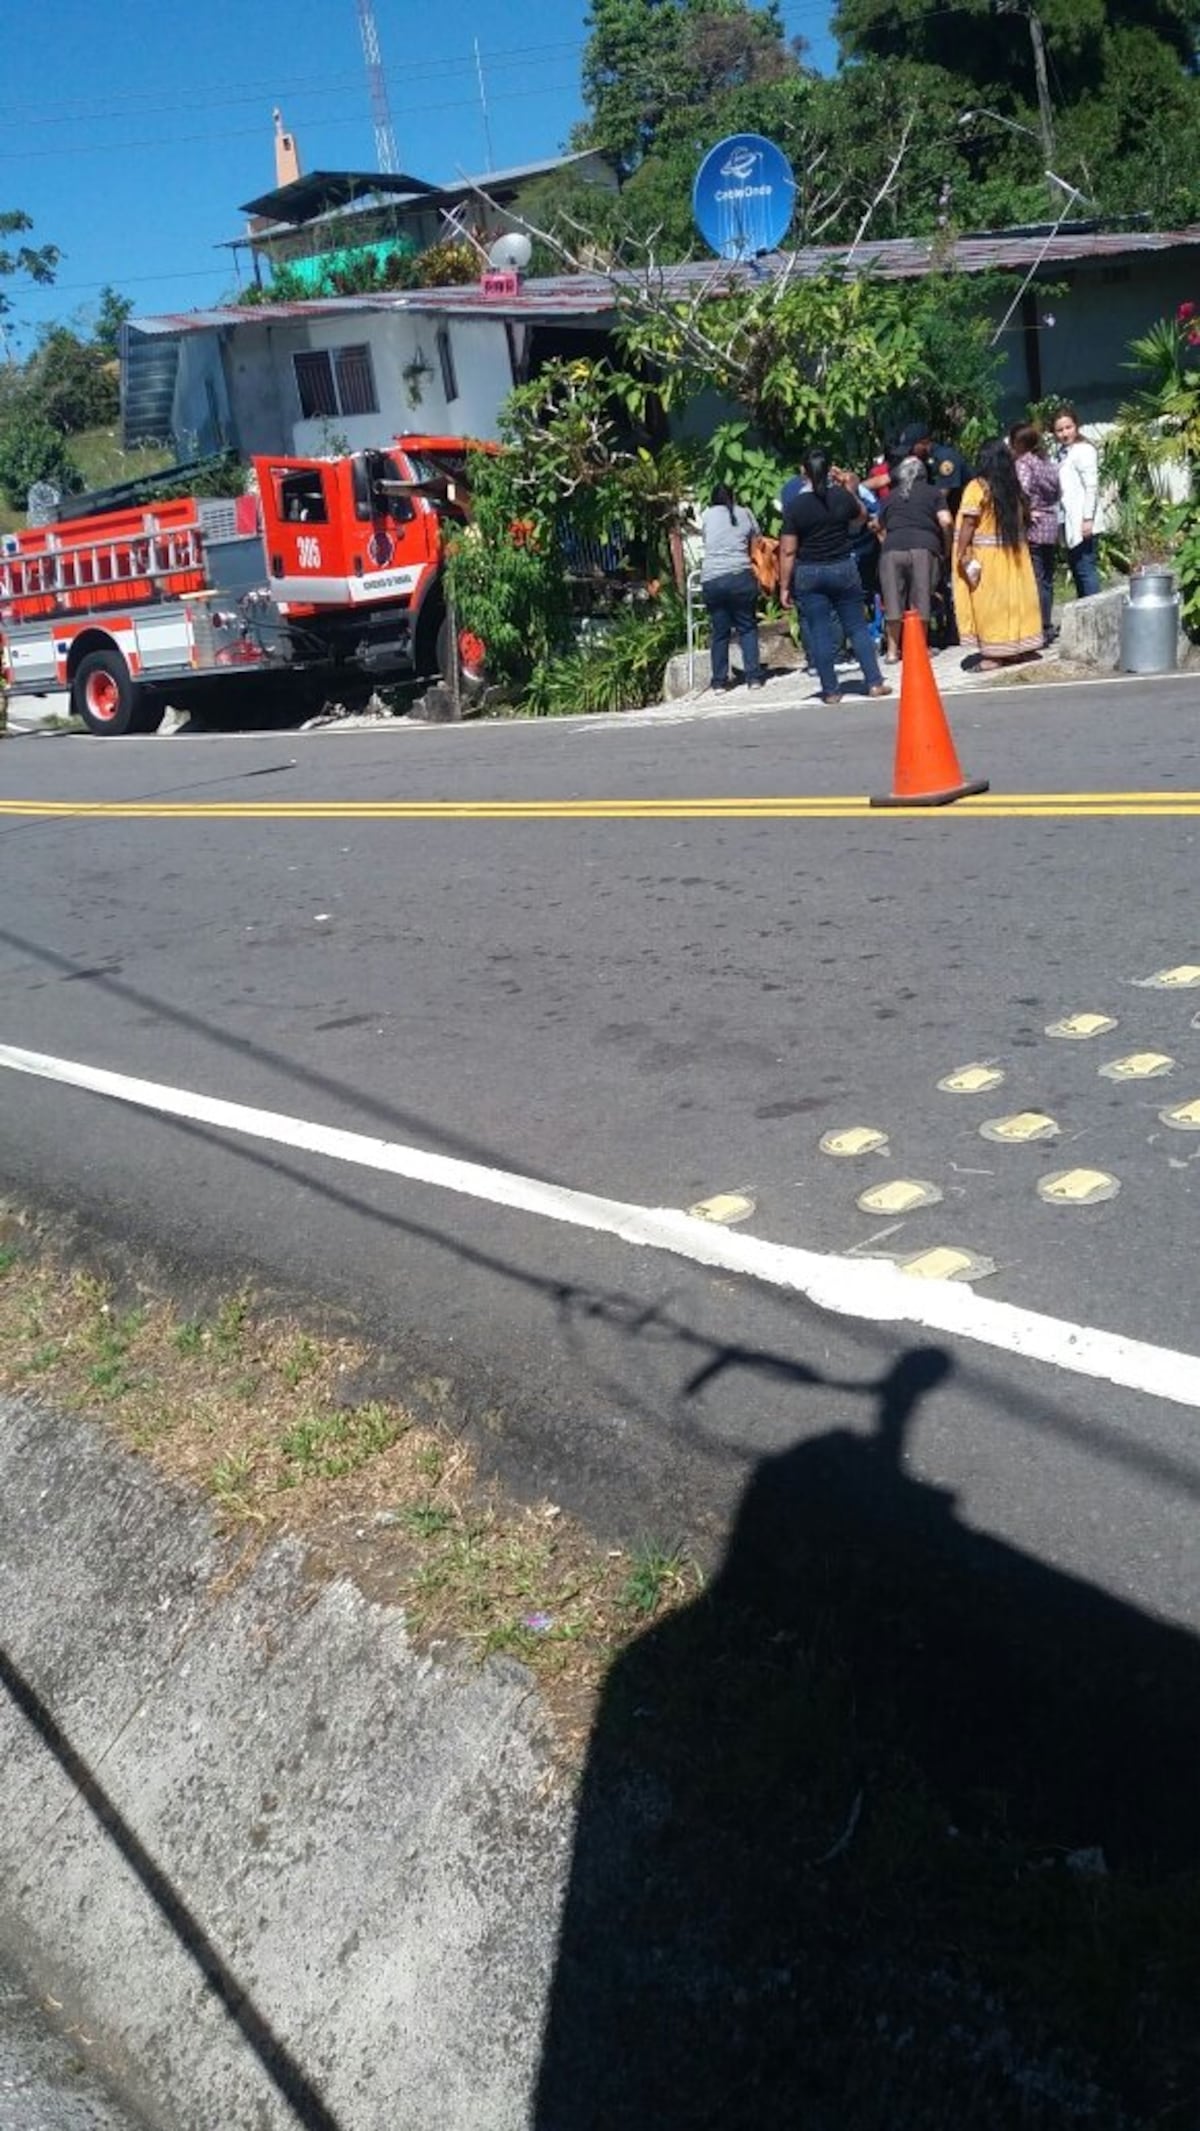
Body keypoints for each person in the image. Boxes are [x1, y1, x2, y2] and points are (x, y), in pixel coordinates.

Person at [779, 451, 888, 704]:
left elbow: (788, 549)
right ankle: (873, 682)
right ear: (830, 470)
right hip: (842, 566)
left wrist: (785, 585)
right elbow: (861, 517)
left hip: (809, 571)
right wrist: (848, 489)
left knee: (819, 631)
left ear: (803, 473)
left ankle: (831, 690)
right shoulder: (840, 497)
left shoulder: (795, 506)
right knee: (856, 627)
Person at [953, 437, 1043, 670]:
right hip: (1015, 555)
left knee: (991, 604)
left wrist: (961, 550)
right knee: (1017, 600)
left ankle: (994, 655)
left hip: (989, 557)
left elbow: (969, 523)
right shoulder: (1013, 488)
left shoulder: (978, 487)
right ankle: (1018, 650)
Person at [877, 456, 953, 664]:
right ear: (923, 474)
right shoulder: (933, 493)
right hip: (924, 547)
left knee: (893, 599)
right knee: (920, 599)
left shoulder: (890, 497)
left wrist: (886, 540)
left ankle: (893, 652)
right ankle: (919, 648)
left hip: (892, 549)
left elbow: (876, 525)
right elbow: (946, 521)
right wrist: (946, 547)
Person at [699, 483, 764, 690]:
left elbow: (708, 541)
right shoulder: (745, 513)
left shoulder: (707, 515)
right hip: (740, 576)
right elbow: (756, 543)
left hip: (713, 578)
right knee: (747, 627)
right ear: (733, 497)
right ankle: (753, 677)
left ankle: (719, 681)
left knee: (720, 632)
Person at [1009, 420, 1061, 643]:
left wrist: (1026, 513)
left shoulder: (1024, 463)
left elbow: (1023, 490)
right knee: (1047, 579)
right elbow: (1059, 492)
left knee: (1035, 578)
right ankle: (1047, 624)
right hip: (1050, 524)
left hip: (1034, 526)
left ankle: (1037, 627)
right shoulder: (1046, 462)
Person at [1052, 404, 1102, 599]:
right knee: (1078, 570)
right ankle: (1085, 614)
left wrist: (1087, 518)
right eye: (1060, 430)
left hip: (1083, 521)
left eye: (1068, 427)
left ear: (1076, 426)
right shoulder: (1062, 453)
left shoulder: (1084, 450)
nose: (1064, 433)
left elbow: (1091, 486)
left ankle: (1095, 614)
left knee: (1085, 569)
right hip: (1068, 521)